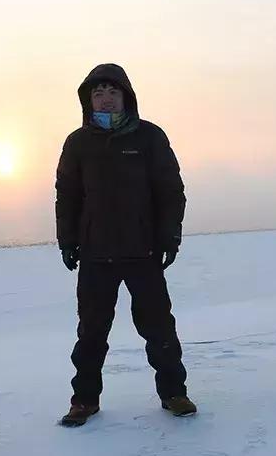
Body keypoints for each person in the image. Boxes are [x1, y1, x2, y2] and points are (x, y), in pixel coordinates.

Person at [55, 63, 196, 427]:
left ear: (126, 98)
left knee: (159, 328)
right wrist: (68, 241)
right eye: (98, 93)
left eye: (113, 92)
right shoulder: (77, 142)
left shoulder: (149, 137)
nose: (105, 99)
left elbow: (170, 191)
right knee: (91, 332)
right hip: (95, 254)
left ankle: (173, 393)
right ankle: (84, 400)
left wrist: (170, 236)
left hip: (143, 251)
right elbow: (67, 196)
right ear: (88, 100)